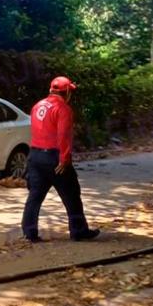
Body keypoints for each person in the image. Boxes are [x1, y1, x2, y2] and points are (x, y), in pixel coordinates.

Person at [22, 76, 100, 243]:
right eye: (70, 92)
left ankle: (29, 232)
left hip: (35, 156)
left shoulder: (37, 106)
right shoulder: (63, 108)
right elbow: (63, 136)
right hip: (54, 157)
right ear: (66, 92)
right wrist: (64, 159)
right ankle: (78, 230)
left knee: (35, 196)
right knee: (72, 194)